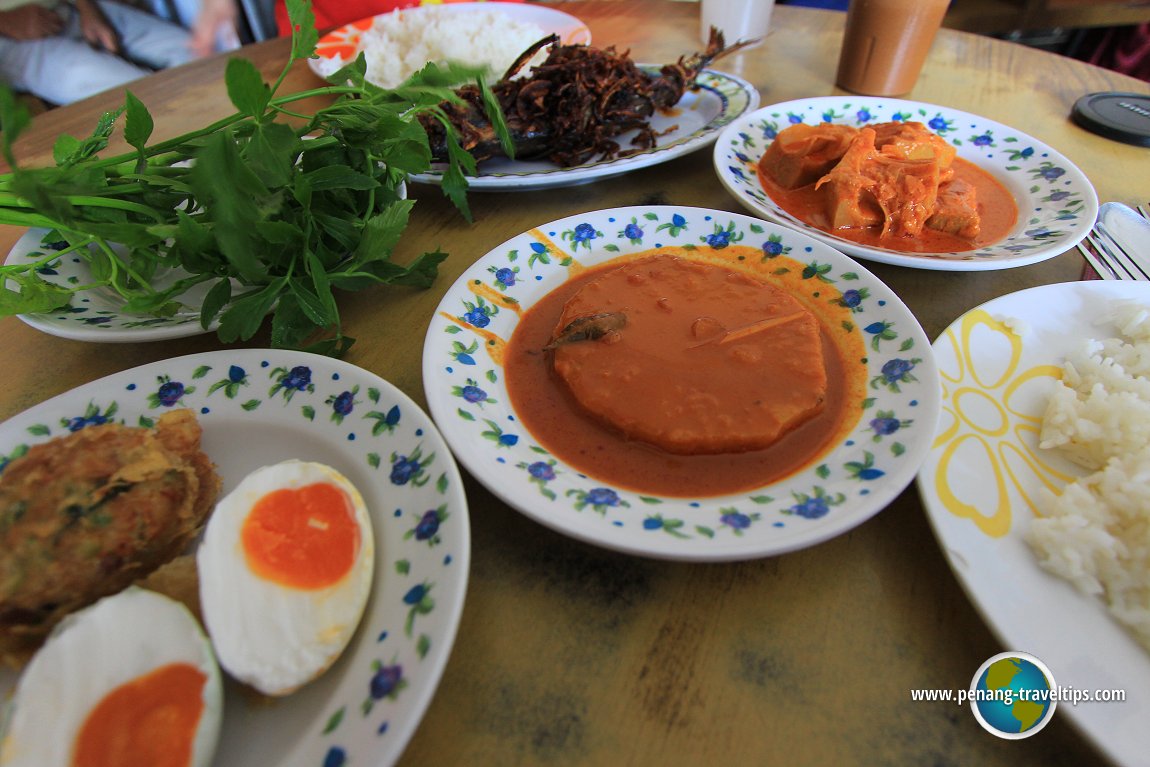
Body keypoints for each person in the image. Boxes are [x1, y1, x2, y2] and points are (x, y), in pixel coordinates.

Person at [0, 0, 235, 106]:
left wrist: (87, 9)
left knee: (203, 56)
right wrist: (5, 21)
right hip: (11, 40)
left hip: (67, 8)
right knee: (138, 100)